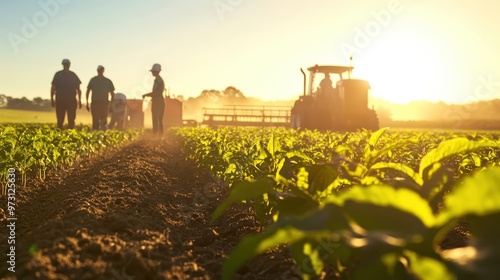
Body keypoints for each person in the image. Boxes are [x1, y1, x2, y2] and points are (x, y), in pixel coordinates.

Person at [51, 58, 82, 129]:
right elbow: (53, 87)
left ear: (69, 65)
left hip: (71, 100)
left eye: (67, 64)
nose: (66, 66)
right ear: (63, 65)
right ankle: (59, 133)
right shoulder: (58, 74)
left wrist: (79, 100)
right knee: (60, 118)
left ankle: (70, 133)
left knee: (71, 119)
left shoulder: (73, 75)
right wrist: (52, 99)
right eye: (65, 64)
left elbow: (78, 89)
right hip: (60, 100)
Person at [86, 65, 115, 130]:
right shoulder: (93, 80)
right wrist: (87, 102)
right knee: (95, 119)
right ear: (97, 71)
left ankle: (103, 134)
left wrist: (111, 104)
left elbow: (112, 93)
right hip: (95, 102)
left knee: (104, 119)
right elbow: (88, 91)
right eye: (99, 70)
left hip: (104, 103)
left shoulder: (108, 81)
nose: (100, 71)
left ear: (103, 71)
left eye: (102, 70)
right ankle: (95, 133)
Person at [142, 63, 165, 135]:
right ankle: (160, 135)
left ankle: (155, 136)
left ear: (155, 71)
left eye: (152, 71)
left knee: (156, 119)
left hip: (157, 102)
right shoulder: (159, 80)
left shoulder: (158, 80)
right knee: (159, 119)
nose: (151, 72)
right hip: (160, 101)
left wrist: (146, 95)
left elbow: (155, 92)